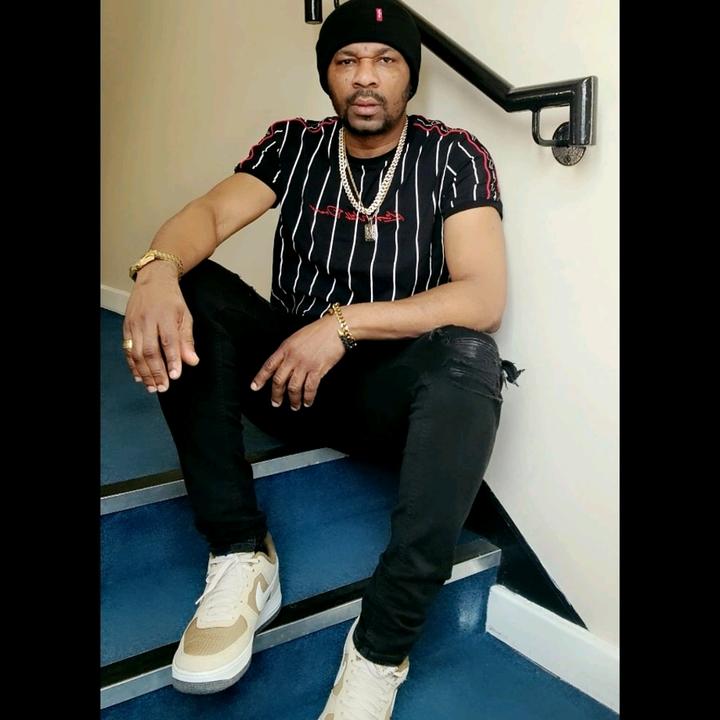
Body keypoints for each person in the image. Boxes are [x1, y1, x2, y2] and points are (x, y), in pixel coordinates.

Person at [121, 0, 522, 716]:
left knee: (471, 353)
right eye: (347, 60)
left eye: (385, 60)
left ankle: (381, 647)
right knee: (193, 280)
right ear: (327, 75)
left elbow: (481, 295)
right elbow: (209, 214)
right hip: (283, 379)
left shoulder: (454, 155)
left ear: (410, 76)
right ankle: (241, 552)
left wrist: (343, 324)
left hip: (380, 396)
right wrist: (155, 270)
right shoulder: (295, 144)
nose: (365, 77)